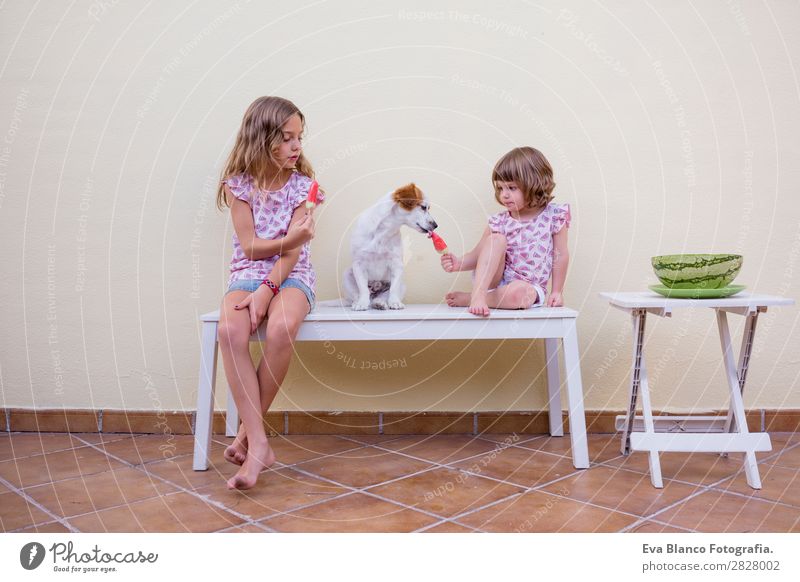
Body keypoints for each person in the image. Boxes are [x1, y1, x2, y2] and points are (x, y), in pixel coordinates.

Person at [215, 96, 323, 489]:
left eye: (299, 137)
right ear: (263, 141)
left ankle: (246, 436)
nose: (297, 146)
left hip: (292, 276)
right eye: (287, 138)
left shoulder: (306, 189)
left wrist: (267, 291)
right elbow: (249, 248)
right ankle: (259, 441)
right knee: (229, 331)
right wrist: (258, 286)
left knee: (281, 328)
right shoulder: (238, 187)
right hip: (246, 273)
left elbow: (292, 253)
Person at [442, 146, 570, 317]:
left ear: (534, 184)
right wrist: (459, 263)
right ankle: (479, 295)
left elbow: (560, 255)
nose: (504, 195)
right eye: (501, 188)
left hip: (529, 287)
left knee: (520, 294)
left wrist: (557, 292)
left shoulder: (554, 216)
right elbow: (479, 254)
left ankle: (472, 298)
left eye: (511, 188)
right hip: (495, 281)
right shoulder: (499, 221)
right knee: (496, 240)